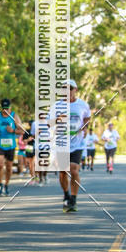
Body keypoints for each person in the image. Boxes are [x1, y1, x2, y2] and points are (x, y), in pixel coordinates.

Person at [51, 78, 90, 212]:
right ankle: (66, 194)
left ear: (75, 90)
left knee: (73, 169)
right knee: (63, 171)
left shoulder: (82, 105)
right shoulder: (57, 106)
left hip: (77, 143)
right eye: (64, 88)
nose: (67, 91)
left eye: (70, 88)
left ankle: (73, 198)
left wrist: (84, 128)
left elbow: (87, 118)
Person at [0, 99, 25, 195]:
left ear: (10, 108)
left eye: (7, 108)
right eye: (3, 109)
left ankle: (6, 184)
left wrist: (13, 131)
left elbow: (22, 131)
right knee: (0, 164)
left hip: (11, 146)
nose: (5, 111)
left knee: (9, 167)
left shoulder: (14, 117)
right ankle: (0, 183)